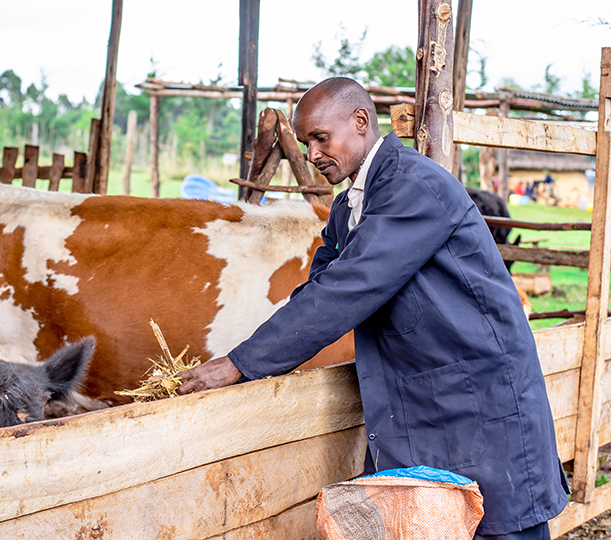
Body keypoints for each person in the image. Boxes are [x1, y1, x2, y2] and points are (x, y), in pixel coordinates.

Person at [179, 77, 569, 540]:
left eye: (321, 137)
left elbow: (350, 287)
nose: (313, 153)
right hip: (424, 399)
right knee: (423, 523)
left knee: (499, 525)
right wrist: (245, 353)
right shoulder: (348, 208)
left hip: (476, 396)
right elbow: (317, 290)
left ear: (360, 122)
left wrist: (241, 363)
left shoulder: (414, 185)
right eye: (306, 143)